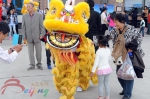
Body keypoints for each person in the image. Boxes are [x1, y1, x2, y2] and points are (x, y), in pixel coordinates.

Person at [107, 13, 144, 99]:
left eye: (116, 22)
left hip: (129, 56)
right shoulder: (115, 30)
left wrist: (132, 47)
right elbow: (108, 37)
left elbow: (138, 38)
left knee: (128, 74)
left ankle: (127, 94)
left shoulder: (131, 29)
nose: (115, 24)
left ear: (122, 22)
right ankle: (125, 89)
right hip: (119, 55)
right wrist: (97, 41)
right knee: (119, 74)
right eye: (115, 22)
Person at [22, 3, 45, 71]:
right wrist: (24, 36)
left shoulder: (39, 15)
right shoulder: (24, 16)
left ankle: (39, 64)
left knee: (38, 52)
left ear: (33, 7)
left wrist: (42, 34)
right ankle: (32, 64)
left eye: (29, 7)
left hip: (37, 36)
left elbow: (42, 26)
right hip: (29, 37)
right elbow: (23, 27)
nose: (28, 8)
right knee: (30, 52)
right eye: (27, 7)